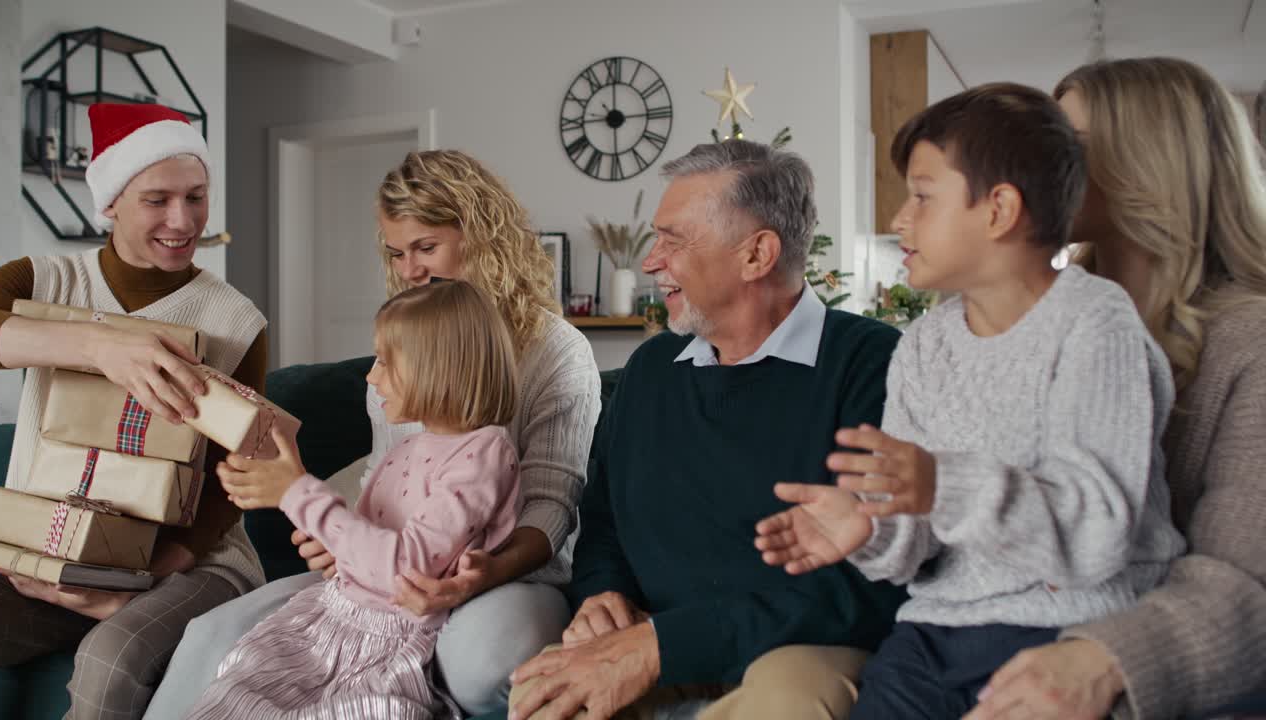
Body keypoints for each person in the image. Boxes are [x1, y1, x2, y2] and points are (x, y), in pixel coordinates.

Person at [755, 82, 1188, 719]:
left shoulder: (1096, 324)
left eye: (923, 196)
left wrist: (941, 484)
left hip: (1072, 628)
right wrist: (868, 526)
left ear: (998, 210)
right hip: (935, 634)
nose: (901, 219)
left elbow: (1098, 532)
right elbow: (916, 544)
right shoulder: (924, 346)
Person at [148, 149, 601, 718]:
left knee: (481, 661)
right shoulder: (401, 365)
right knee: (211, 638)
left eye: (426, 247)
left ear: (482, 237)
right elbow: (387, 486)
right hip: (386, 575)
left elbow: (552, 503)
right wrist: (337, 538)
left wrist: (485, 573)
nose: (409, 269)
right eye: (396, 252)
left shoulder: (557, 351)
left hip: (510, 570)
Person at [508, 139, 906, 720]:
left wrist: (665, 646)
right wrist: (602, 597)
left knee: (789, 702)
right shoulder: (650, 372)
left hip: (795, 654)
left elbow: (868, 584)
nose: (651, 260)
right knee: (538, 695)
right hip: (648, 639)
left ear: (756, 255)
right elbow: (603, 525)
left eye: (675, 239)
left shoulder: (872, 366)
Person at [965, 57, 1266, 720]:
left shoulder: (1252, 341)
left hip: (1171, 671)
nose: (1027, 167)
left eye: (1066, 147)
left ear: (1152, 164)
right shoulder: (1048, 317)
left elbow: (1248, 578)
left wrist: (1107, 658)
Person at [0, 103, 269, 718]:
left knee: (110, 660)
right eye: (157, 199)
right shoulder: (42, 282)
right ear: (111, 201)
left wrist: (147, 577)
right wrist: (98, 345)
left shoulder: (235, 322)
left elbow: (231, 484)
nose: (183, 219)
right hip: (50, 542)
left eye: (197, 196)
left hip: (193, 561)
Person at [187, 280, 522, 718]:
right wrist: (302, 509)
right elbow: (362, 546)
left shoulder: (483, 453)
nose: (371, 375)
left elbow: (405, 568)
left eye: (385, 361)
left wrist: (296, 491)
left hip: (385, 640)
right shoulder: (410, 447)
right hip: (329, 616)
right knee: (237, 694)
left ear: (434, 366)